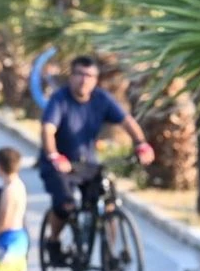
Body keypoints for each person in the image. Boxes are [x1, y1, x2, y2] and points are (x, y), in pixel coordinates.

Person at [38, 55, 154, 255]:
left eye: (90, 76)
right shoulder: (60, 99)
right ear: (71, 76)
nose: (84, 80)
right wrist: (54, 155)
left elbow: (127, 121)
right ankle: (53, 240)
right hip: (59, 165)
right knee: (65, 206)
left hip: (87, 164)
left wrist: (141, 144)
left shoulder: (101, 99)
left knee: (108, 202)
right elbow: (48, 130)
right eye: (79, 74)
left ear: (96, 79)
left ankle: (110, 254)